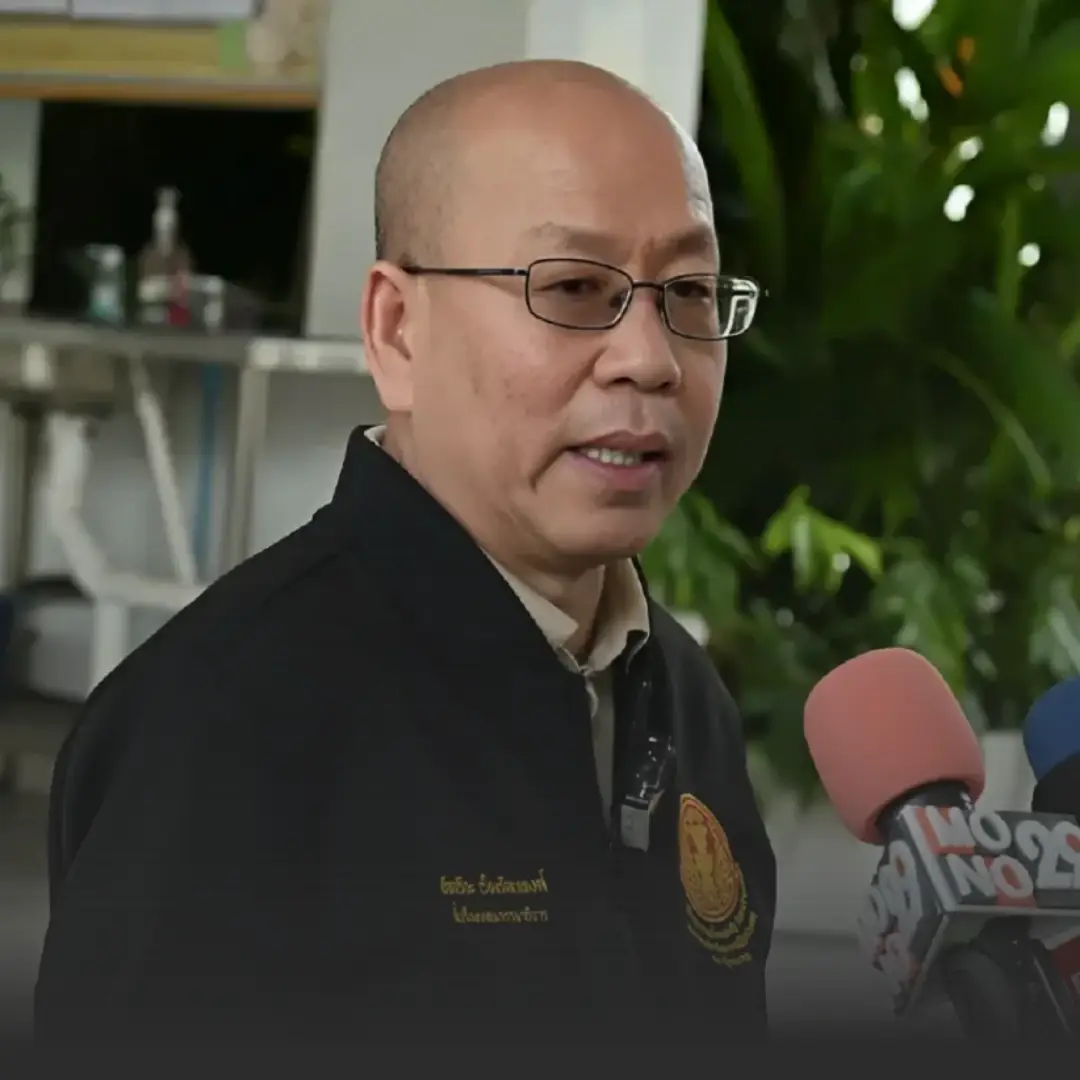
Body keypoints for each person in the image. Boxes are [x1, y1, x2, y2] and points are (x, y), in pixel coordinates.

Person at [34, 59, 775, 1045]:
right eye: (573, 287)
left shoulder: (681, 701)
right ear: (397, 331)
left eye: (688, 291)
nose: (651, 357)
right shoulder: (216, 728)